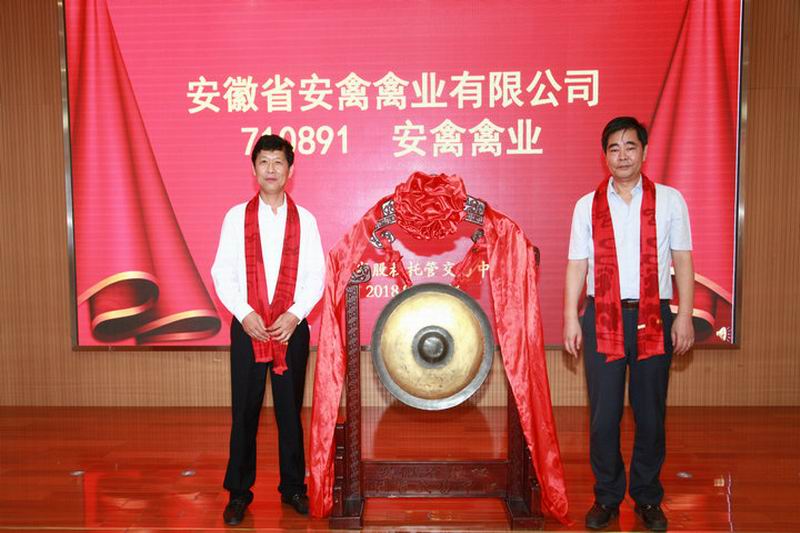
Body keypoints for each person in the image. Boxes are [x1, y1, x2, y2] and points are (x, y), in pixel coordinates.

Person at [563, 117, 694, 531]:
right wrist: (570, 318)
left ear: (644, 152)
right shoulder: (587, 206)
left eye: (630, 147)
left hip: (654, 314)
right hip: (602, 315)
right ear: (605, 156)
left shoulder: (670, 200)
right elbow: (577, 265)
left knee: (650, 414)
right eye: (614, 148)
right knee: (604, 416)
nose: (622, 156)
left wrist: (684, 315)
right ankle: (606, 496)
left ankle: (648, 497)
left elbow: (683, 260)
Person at [211, 134, 325, 525]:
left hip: (291, 329)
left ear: (290, 170)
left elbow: (316, 275)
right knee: (245, 411)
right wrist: (245, 314)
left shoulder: (305, 220)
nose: (271, 169)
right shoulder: (235, 218)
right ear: (254, 168)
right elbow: (222, 272)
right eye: (264, 162)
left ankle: (293, 487)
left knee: (290, 412)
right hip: (250, 328)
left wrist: (294, 315)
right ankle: (238, 493)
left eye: (278, 162)